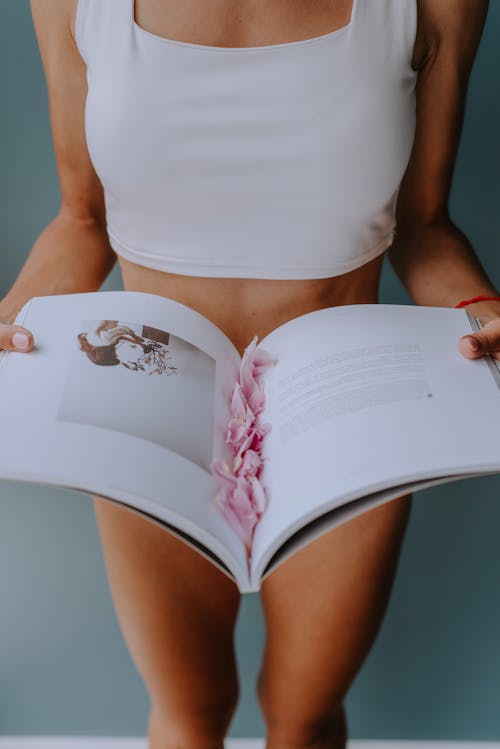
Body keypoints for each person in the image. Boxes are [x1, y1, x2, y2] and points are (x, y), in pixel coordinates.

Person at [1, 1, 499, 746]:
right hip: (150, 405)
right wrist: (12, 316)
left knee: (302, 720)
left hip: (340, 411)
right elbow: (81, 218)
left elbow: (424, 225)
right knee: (190, 716)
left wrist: (484, 310)